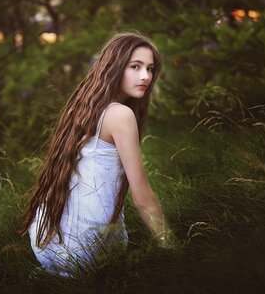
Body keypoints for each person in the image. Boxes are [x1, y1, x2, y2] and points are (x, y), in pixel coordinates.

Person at [19, 31, 171, 277]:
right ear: (115, 67)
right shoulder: (121, 115)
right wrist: (169, 245)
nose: (146, 76)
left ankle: (57, 273)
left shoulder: (81, 107)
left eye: (150, 69)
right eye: (135, 66)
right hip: (89, 254)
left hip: (44, 244)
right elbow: (142, 197)